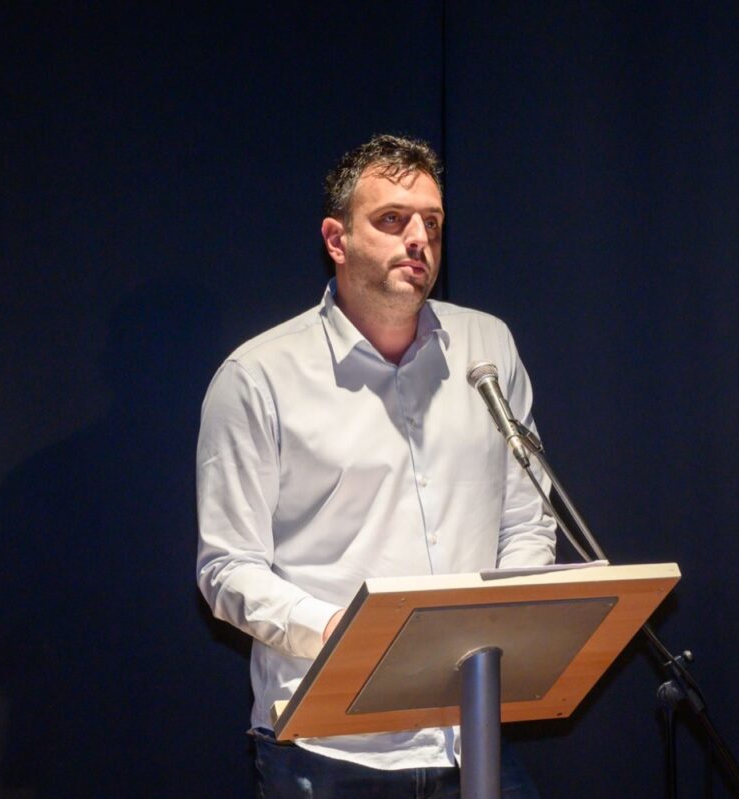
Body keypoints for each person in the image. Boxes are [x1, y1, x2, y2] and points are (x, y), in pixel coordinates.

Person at [196, 133, 555, 797]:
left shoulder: (487, 347)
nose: (419, 239)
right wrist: (338, 632)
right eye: (393, 219)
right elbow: (226, 568)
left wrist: (508, 621)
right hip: (329, 747)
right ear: (336, 240)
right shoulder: (258, 376)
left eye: (432, 223)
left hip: (471, 733)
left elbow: (527, 516)